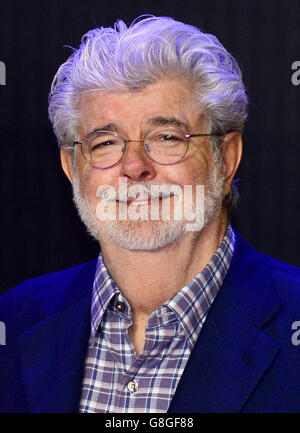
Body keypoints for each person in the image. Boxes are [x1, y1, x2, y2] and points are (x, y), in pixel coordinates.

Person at [0, 15, 300, 414]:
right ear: (73, 169)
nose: (135, 167)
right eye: (105, 142)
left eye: (167, 137)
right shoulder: (14, 319)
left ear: (225, 159)